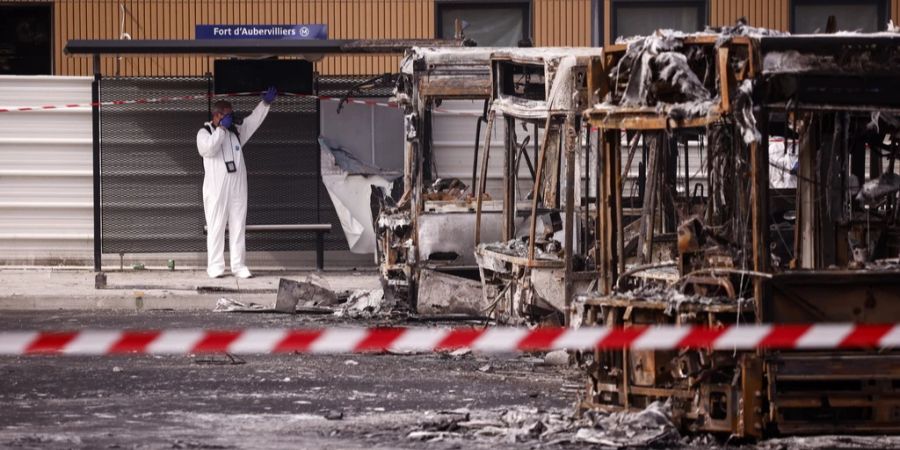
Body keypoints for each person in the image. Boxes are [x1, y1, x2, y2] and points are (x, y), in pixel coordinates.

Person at [196, 87, 277, 278]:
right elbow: (208, 150)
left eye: (231, 115)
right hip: (216, 190)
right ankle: (215, 267)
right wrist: (221, 129)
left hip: (237, 187)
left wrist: (265, 103)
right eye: (227, 115)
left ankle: (238, 265)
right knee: (216, 227)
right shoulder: (205, 132)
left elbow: (252, 121)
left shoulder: (236, 133)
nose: (231, 118)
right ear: (217, 115)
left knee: (238, 226)